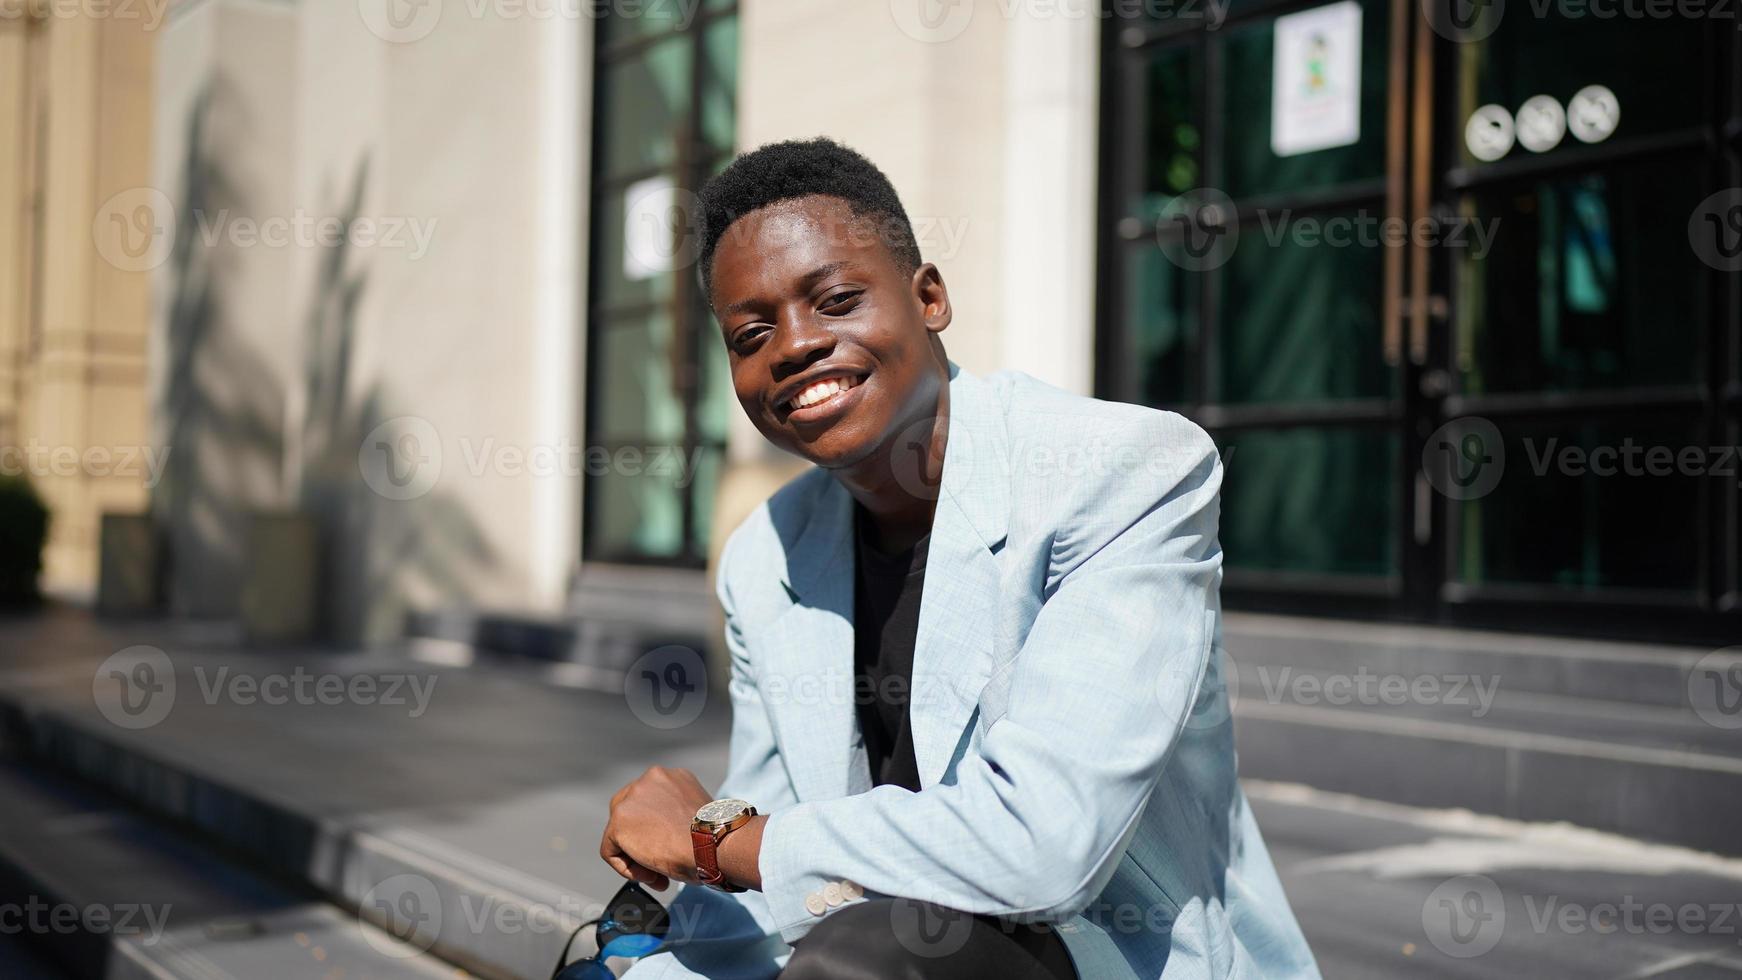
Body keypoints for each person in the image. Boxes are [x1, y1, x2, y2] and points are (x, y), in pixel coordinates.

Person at [599, 137, 1321, 980]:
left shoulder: (1120, 471)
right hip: (855, 938)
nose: (791, 347)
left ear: (929, 297)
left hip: (1101, 954)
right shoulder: (766, 555)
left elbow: (1045, 845)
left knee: (862, 957)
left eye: (833, 299)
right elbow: (774, 864)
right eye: (751, 333)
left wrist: (710, 834)